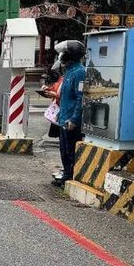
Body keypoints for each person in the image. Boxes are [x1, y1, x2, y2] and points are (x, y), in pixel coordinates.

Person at [52, 40, 86, 187]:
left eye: (63, 54)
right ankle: (66, 172)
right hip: (64, 117)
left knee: (71, 149)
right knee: (64, 149)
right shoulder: (69, 72)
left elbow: (81, 98)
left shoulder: (79, 73)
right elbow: (65, 96)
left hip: (71, 121)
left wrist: (74, 118)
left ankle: (70, 174)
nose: (61, 57)